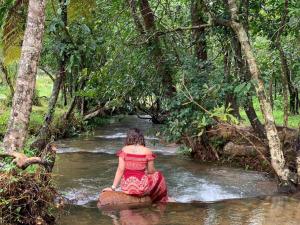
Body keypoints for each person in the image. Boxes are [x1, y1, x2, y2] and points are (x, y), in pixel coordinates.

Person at [102, 128, 169, 202]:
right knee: (159, 175)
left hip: (126, 187)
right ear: (141, 138)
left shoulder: (124, 150)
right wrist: (149, 173)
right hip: (141, 188)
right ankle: (160, 200)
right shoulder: (147, 151)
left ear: (128, 138)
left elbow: (120, 169)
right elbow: (151, 171)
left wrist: (113, 188)